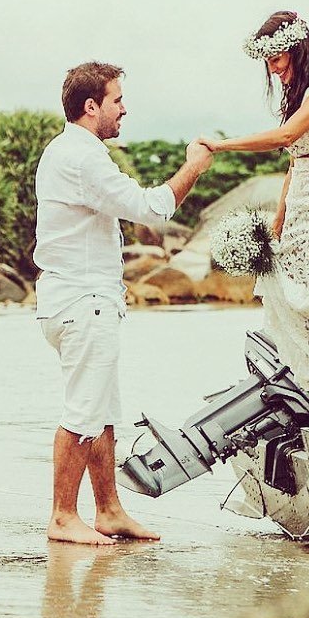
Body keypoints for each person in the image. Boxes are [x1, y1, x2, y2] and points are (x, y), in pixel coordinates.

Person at [34, 61, 213, 546]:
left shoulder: (66, 150)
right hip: (82, 301)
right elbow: (151, 210)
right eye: (117, 100)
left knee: (104, 409)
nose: (124, 108)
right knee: (83, 411)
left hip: (75, 300)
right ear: (91, 107)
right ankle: (62, 516)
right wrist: (194, 165)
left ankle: (109, 510)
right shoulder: (82, 156)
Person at [199, 11, 309, 442]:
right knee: (291, 301)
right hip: (302, 200)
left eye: (278, 56)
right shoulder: (298, 91)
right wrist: (278, 220)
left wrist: (219, 145)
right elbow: (294, 162)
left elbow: (285, 138)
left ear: (298, 46)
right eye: (268, 60)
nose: (273, 67)